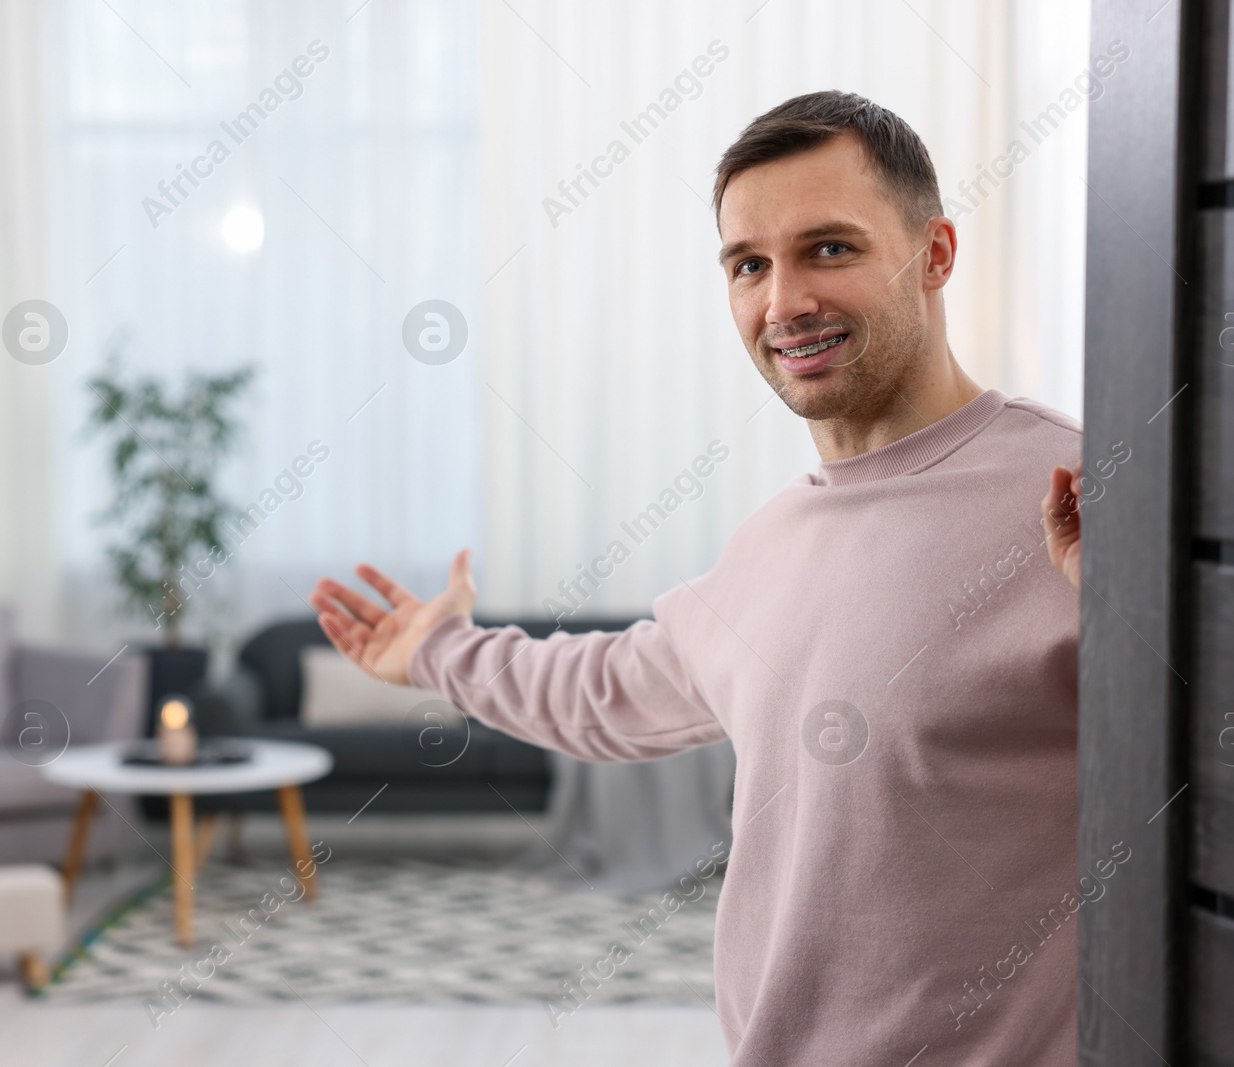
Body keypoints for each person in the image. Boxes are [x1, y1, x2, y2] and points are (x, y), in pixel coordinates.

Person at [312, 91, 1088, 1067]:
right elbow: (603, 691)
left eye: (829, 249)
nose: (783, 301)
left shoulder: (1078, 496)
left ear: (934, 254)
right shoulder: (774, 539)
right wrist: (437, 650)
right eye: (748, 264)